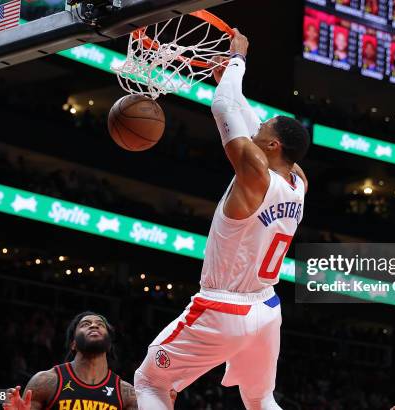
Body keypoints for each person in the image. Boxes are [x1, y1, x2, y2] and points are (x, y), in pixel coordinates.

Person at [134, 28, 310, 410]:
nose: (258, 125)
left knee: (149, 382)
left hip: (222, 307)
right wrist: (227, 79)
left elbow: (224, 108)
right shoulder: (298, 180)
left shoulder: (255, 174)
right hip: (266, 309)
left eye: (264, 128)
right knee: (261, 398)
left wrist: (237, 60)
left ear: (272, 145)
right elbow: (244, 115)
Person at [3, 312, 174, 410]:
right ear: (74, 344)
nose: (93, 325)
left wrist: (164, 406)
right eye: (85, 324)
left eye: (100, 324)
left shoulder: (125, 393)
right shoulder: (46, 381)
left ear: (108, 345)